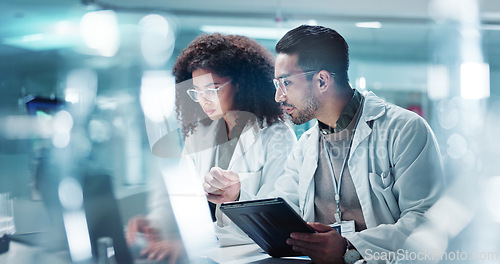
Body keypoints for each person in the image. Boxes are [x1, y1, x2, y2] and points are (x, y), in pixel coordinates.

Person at [270, 25, 445, 264]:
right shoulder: (305, 146)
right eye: (276, 84)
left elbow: (426, 219)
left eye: (286, 83)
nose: (279, 96)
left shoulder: (404, 129)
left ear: (322, 80)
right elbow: (280, 211)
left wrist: (349, 248)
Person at [126, 33, 296, 262]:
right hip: (211, 255)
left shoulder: (275, 136)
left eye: (212, 89)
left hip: (255, 256)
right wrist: (155, 224)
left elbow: (274, 217)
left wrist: (194, 241)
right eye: (196, 91)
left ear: (239, 84)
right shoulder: (200, 134)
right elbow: (182, 196)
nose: (204, 99)